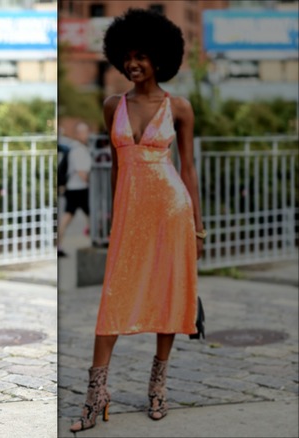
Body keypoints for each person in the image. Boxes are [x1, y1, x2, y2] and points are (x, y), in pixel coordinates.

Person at [70, 9, 204, 432]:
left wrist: (199, 228)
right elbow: (116, 167)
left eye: (141, 56)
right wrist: (115, 217)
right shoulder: (114, 106)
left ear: (159, 58)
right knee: (113, 299)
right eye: (127, 56)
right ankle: (96, 394)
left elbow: (187, 170)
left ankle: (157, 387)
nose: (133, 64)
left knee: (169, 296)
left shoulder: (179, 107)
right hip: (131, 215)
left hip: (172, 211)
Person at [57, 121, 92, 257]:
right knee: (70, 217)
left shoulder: (79, 148)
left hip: (77, 189)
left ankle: (95, 237)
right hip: (78, 189)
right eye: (84, 132)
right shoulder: (78, 150)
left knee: (76, 216)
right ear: (78, 134)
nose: (87, 135)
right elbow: (82, 173)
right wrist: (91, 183)